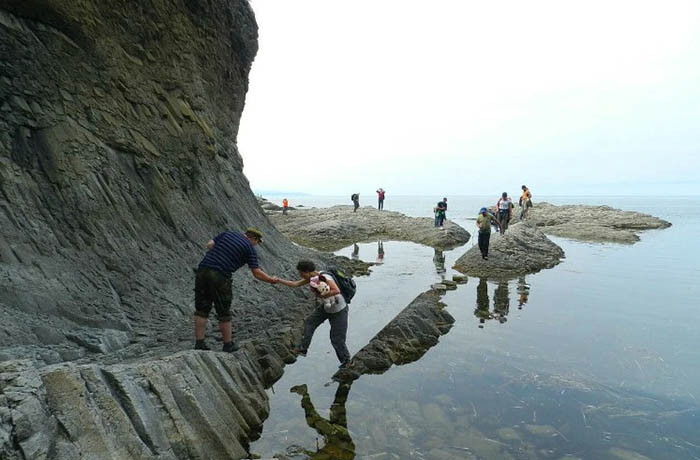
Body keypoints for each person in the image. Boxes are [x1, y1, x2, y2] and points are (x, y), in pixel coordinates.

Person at [194, 227, 277, 352]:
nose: (256, 245)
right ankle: (228, 345)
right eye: (257, 242)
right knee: (223, 311)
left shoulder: (228, 233)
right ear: (253, 238)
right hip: (220, 276)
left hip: (203, 270)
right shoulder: (249, 248)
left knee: (201, 308)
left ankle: (199, 343)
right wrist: (271, 280)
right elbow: (256, 272)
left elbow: (209, 244)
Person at [276, 260, 352, 368]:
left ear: (307, 272)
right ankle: (303, 349)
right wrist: (279, 280)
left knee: (337, 339)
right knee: (310, 322)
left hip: (339, 310)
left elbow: (336, 290)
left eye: (301, 273)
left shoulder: (325, 277)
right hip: (326, 308)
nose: (300, 276)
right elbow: (295, 284)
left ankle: (347, 361)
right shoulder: (312, 278)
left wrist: (322, 294)